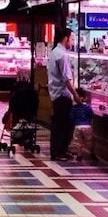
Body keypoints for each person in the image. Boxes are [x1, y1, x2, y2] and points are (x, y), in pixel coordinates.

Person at [48, 27, 78, 161]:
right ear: (65, 38)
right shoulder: (62, 55)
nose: (72, 42)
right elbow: (67, 79)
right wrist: (76, 95)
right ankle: (58, 152)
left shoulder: (55, 52)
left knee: (61, 124)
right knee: (63, 125)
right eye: (72, 39)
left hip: (56, 94)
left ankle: (60, 151)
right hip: (62, 95)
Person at [70, 87, 96, 161]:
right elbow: (91, 116)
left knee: (78, 142)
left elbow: (71, 116)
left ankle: (79, 155)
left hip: (77, 126)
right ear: (85, 97)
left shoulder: (74, 108)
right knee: (90, 141)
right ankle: (92, 154)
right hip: (87, 126)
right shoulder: (88, 107)